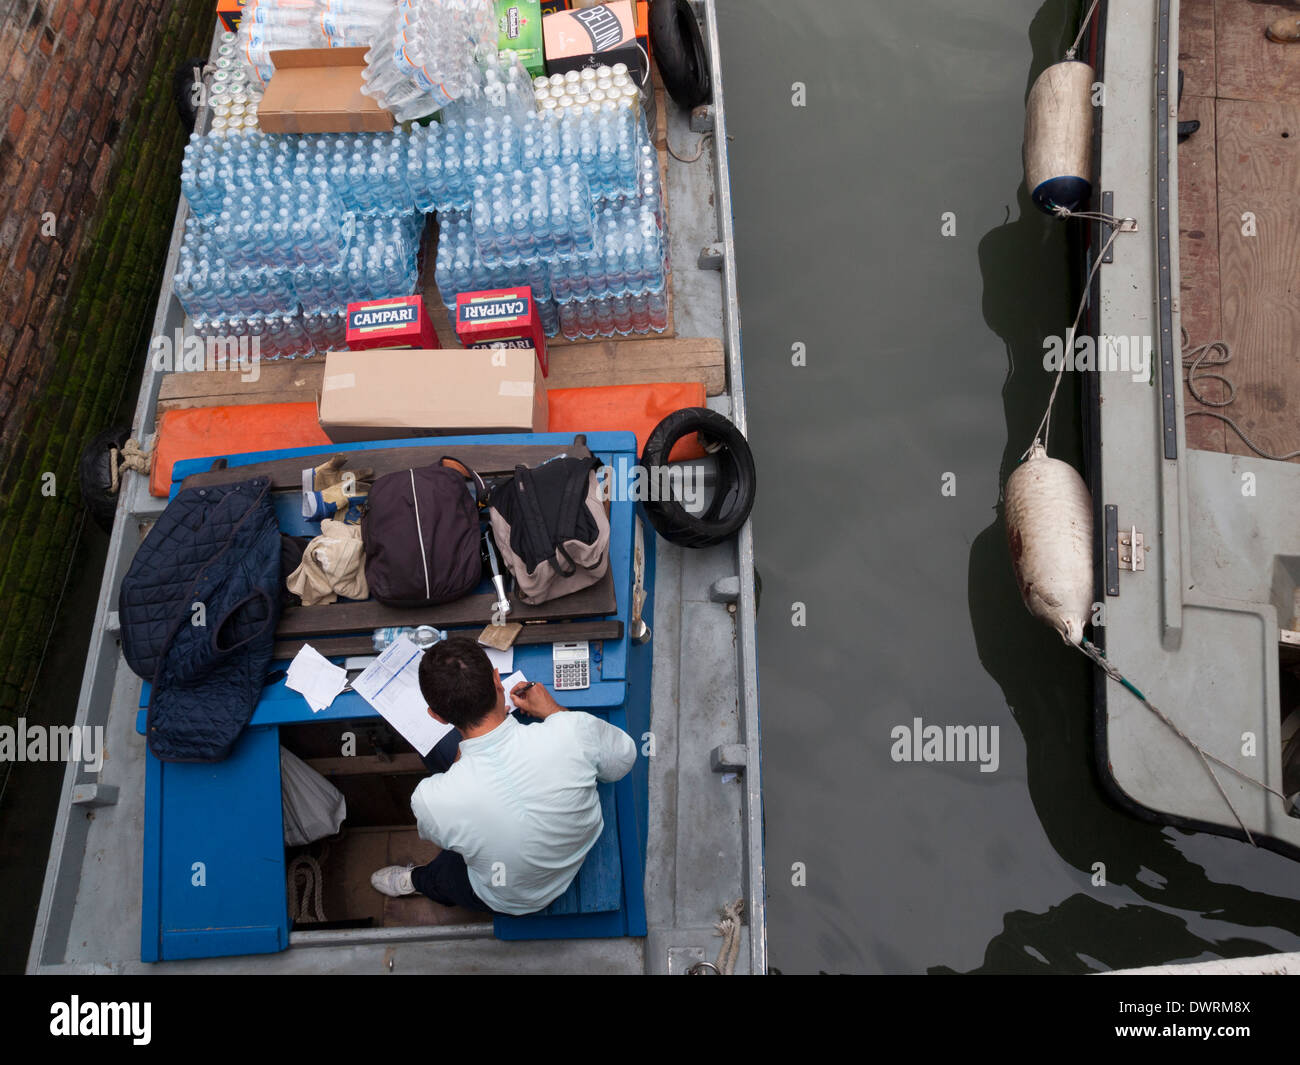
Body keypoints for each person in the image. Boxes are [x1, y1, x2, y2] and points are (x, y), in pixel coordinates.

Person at [369, 637, 637, 915]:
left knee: (447, 873)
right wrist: (556, 713)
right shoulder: (572, 731)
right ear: (498, 680)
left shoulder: (431, 800)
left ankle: (417, 881)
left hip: (510, 897)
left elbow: (440, 836)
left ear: (436, 716)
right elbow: (623, 758)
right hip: (575, 851)